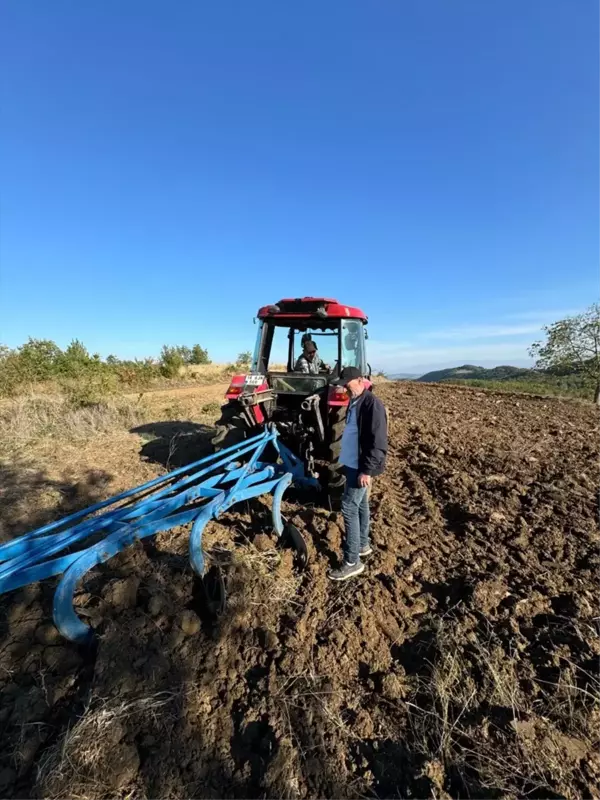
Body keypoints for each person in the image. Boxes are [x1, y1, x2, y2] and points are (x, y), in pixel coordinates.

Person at [328, 366, 388, 581]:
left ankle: (352, 561)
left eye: (348, 382)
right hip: (353, 463)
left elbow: (378, 442)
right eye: (343, 383)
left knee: (348, 506)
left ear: (361, 380)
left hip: (360, 466)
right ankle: (362, 544)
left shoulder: (372, 404)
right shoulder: (355, 400)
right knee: (361, 504)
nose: (345, 386)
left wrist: (367, 470)